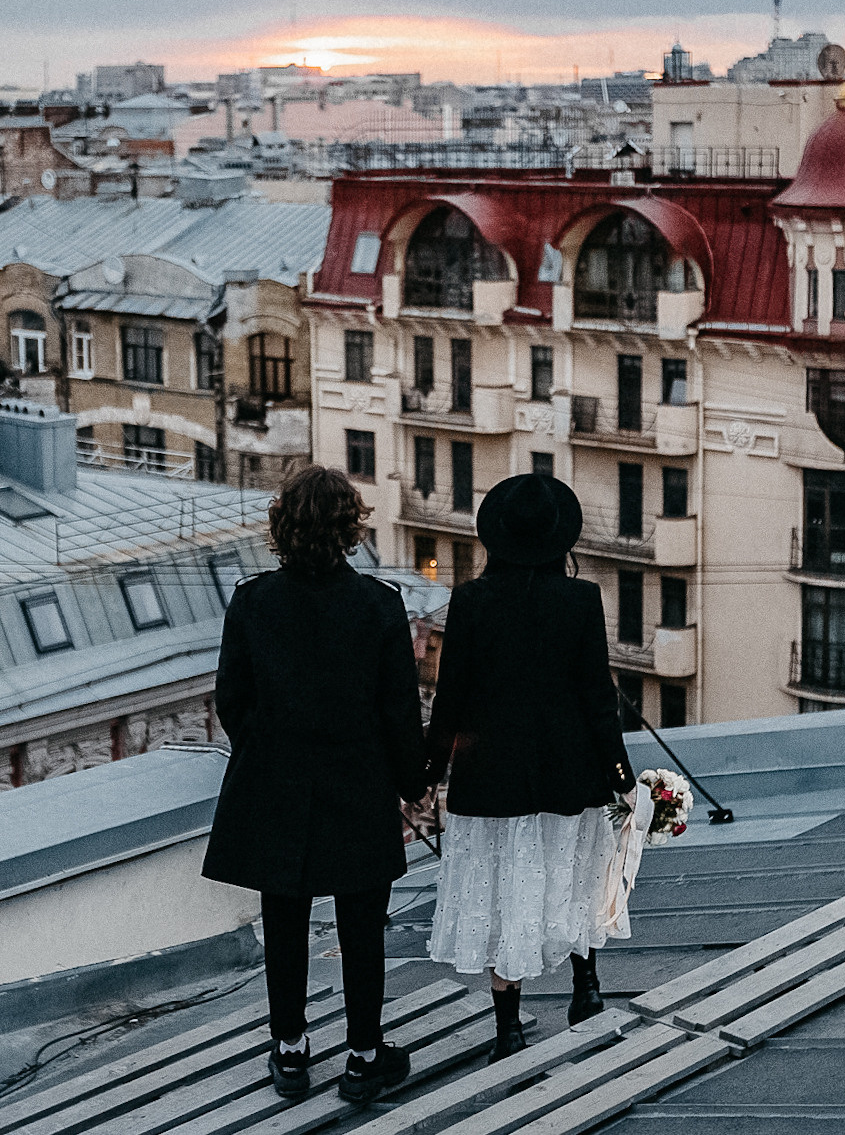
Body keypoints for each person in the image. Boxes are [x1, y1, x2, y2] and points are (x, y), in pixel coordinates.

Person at [202, 466, 429, 1103]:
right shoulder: (380, 603)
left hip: (276, 785)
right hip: (357, 785)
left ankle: (291, 1052)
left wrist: (268, 750)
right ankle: (363, 1058)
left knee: (285, 921)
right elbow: (398, 712)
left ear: (281, 528)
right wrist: (412, 782)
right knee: (362, 925)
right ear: (350, 529)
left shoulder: (251, 601)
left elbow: (232, 701)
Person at [423, 472, 636, 1061]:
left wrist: (430, 772)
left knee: (503, 894)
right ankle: (585, 988)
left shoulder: (468, 601)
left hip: (492, 780)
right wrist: (621, 776)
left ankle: (509, 1028)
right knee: (572, 874)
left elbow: (451, 698)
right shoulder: (580, 599)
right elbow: (598, 697)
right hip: (570, 772)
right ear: (557, 539)